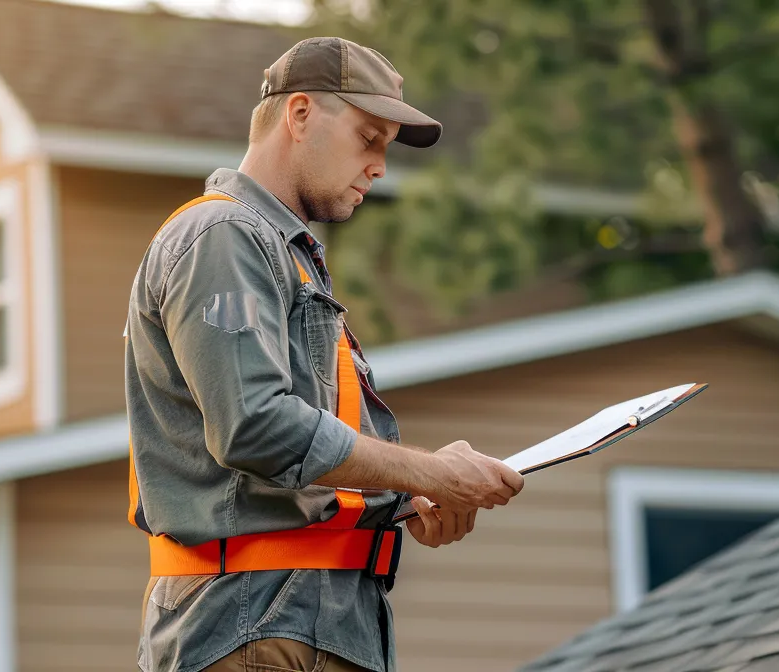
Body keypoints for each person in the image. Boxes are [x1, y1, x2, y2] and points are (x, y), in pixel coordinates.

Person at [125, 37, 525, 672]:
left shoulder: (282, 256)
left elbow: (298, 465)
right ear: (301, 113)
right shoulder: (223, 236)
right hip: (256, 628)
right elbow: (254, 426)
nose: (380, 166)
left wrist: (407, 504)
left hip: (299, 628)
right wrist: (426, 473)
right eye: (369, 137)